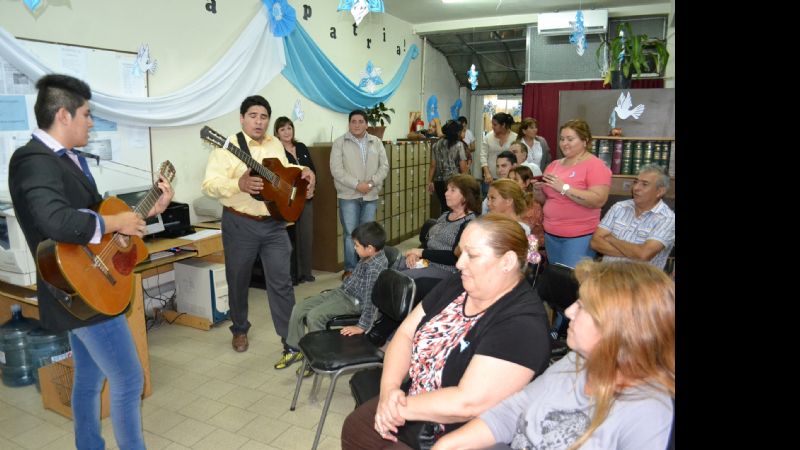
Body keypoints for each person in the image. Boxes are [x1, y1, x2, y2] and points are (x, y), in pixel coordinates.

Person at [8, 74, 174, 450]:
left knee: (88, 377)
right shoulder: (32, 160)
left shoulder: (68, 160)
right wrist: (115, 221)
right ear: (64, 115)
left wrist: (150, 210)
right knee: (130, 379)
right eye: (86, 114)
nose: (91, 122)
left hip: (87, 287)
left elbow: (100, 228)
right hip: (76, 290)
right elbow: (55, 220)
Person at [341, 214, 551, 450]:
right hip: (413, 401)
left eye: (472, 255)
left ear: (507, 262)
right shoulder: (458, 284)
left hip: (456, 433)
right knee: (356, 428)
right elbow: (405, 334)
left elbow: (467, 403)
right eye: (461, 253)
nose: (460, 263)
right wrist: (389, 389)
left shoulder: (522, 325)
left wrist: (397, 408)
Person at [430, 260, 675, 450]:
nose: (568, 311)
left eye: (583, 306)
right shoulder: (576, 361)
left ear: (620, 328)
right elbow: (512, 411)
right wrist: (448, 444)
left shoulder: (647, 412)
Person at [201, 95, 316, 366]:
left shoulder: (275, 143)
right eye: (253, 116)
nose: (259, 121)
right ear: (242, 118)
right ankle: (239, 329)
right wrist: (237, 184)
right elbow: (209, 184)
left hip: (275, 224)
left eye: (263, 117)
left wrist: (304, 172)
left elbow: (285, 170)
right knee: (238, 280)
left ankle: (291, 341)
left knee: (282, 283)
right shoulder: (226, 147)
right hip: (240, 224)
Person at [286, 222, 388, 377]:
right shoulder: (368, 256)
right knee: (299, 308)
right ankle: (296, 349)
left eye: (356, 245)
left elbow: (371, 301)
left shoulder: (375, 269)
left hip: (353, 302)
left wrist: (362, 326)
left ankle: (318, 361)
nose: (354, 248)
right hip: (343, 292)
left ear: (370, 248)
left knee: (315, 316)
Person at [532, 119, 611, 269]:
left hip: (579, 237)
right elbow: (546, 200)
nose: (564, 143)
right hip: (551, 234)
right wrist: (537, 190)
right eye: (562, 139)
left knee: (572, 283)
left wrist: (564, 188)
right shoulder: (554, 165)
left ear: (584, 141)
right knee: (557, 281)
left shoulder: (595, 165)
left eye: (570, 139)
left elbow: (598, 200)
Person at [331, 109, 390, 278]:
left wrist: (370, 183)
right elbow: (336, 170)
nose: (357, 125)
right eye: (353, 121)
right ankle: (350, 269)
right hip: (348, 195)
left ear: (366, 124)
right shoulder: (339, 143)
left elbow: (384, 167)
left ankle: (366, 268)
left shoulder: (376, 142)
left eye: (360, 121)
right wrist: (357, 185)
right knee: (350, 233)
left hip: (370, 195)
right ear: (349, 123)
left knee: (368, 235)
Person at [396, 174, 480, 283]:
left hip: (444, 269)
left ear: (465, 196)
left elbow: (454, 257)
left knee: (400, 280)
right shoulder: (445, 215)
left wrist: (421, 253)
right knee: (391, 269)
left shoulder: (469, 223)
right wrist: (414, 254)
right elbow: (430, 240)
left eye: (452, 190)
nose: (446, 193)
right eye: (447, 189)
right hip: (425, 261)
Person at [591, 164, 675, 269]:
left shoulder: (667, 219)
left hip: (641, 282)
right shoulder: (619, 207)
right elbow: (595, 243)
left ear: (660, 191)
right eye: (635, 182)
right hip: (608, 277)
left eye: (644, 184)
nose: (636, 188)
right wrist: (634, 254)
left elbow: (644, 254)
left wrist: (612, 239)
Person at [275, 116, 317, 284]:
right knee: (292, 237)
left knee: (306, 236)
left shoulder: (301, 147)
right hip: (289, 200)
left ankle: (306, 271)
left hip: (307, 198)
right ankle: (295, 274)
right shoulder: (277, 152)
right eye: (282, 129)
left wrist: (312, 187)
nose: (287, 132)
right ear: (277, 133)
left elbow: (312, 170)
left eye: (289, 128)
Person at [427, 120, 468, 213]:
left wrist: (429, 181)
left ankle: (444, 225)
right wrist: (466, 181)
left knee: (444, 206)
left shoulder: (436, 145)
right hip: (454, 182)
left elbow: (433, 165)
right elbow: (463, 166)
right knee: (454, 208)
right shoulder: (459, 145)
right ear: (456, 132)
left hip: (439, 182)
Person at [479, 112, 516, 195]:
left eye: (495, 125)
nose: (492, 127)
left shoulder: (515, 138)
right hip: (490, 177)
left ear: (503, 125)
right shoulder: (488, 137)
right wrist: (487, 173)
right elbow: (483, 156)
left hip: (509, 178)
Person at [509, 166, 545, 251]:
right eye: (509, 180)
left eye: (515, 180)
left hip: (534, 249)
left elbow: (524, 230)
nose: (511, 183)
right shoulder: (510, 199)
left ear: (527, 182)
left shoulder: (533, 203)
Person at [481, 150, 517, 215]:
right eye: (497, 166)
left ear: (514, 166)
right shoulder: (493, 188)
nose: (499, 170)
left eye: (504, 166)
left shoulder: (521, 187)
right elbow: (483, 212)